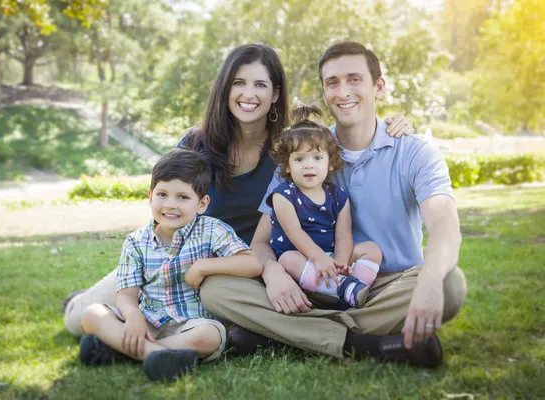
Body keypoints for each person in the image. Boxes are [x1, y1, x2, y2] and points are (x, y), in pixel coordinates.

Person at [62, 43, 413, 342]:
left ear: (275, 94)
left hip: (252, 270)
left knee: (213, 311)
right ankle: (84, 304)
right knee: (78, 321)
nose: (249, 94)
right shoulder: (195, 145)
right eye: (239, 83)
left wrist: (396, 123)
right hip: (183, 261)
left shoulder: (289, 150)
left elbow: (343, 136)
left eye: (260, 84)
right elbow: (164, 216)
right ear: (225, 88)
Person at [199, 41, 467, 367]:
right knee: (215, 288)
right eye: (332, 83)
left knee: (449, 284)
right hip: (310, 284)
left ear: (378, 86)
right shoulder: (303, 151)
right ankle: (367, 344)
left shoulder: (414, 151)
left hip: (384, 287)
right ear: (324, 92)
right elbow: (261, 241)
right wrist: (273, 273)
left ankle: (285, 332)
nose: (343, 92)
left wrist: (428, 282)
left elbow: (444, 224)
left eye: (354, 79)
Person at [78, 149, 262, 381]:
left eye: (182, 197)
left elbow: (252, 263)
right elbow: (126, 294)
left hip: (190, 325)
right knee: (92, 314)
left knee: (212, 335)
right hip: (147, 321)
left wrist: (204, 266)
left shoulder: (212, 230)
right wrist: (133, 316)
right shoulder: (136, 242)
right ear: (150, 197)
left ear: (202, 203)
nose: (170, 205)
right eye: (162, 194)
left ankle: (122, 352)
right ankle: (158, 355)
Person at [268, 104, 382, 310]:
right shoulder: (283, 195)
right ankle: (342, 292)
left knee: (372, 250)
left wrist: (339, 263)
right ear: (287, 165)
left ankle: (352, 289)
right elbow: (293, 232)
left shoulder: (337, 195)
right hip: (300, 259)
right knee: (287, 259)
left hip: (328, 257)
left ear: (330, 163)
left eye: (318, 158)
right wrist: (318, 258)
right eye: (299, 159)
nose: (309, 165)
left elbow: (343, 235)